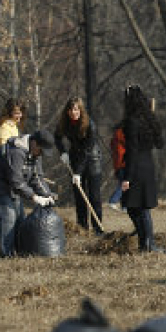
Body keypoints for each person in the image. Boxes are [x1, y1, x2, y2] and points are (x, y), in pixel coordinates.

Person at [0, 130, 56, 257]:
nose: (41, 154)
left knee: (21, 218)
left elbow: (37, 178)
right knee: (8, 217)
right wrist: (34, 197)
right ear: (34, 143)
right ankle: (7, 255)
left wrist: (47, 195)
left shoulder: (35, 155)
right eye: (41, 150)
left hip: (12, 186)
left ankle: (21, 251)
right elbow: (16, 181)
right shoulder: (16, 152)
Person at [120, 85, 164, 252]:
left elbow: (132, 150)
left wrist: (127, 178)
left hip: (137, 167)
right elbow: (160, 144)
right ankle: (145, 242)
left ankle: (148, 243)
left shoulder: (132, 122)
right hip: (148, 165)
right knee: (138, 208)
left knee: (137, 207)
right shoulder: (149, 119)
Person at [55, 96, 103, 234]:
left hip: (92, 161)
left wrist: (78, 173)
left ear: (80, 110)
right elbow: (57, 137)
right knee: (79, 197)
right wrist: (63, 152)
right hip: (75, 159)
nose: (73, 112)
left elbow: (87, 150)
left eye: (76, 109)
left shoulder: (90, 125)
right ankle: (82, 227)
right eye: (70, 110)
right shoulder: (65, 123)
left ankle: (98, 229)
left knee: (94, 197)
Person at [107, 123, 126, 211]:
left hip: (118, 165)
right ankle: (113, 200)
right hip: (123, 164)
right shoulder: (122, 135)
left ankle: (124, 206)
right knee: (124, 184)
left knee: (125, 185)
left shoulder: (114, 138)